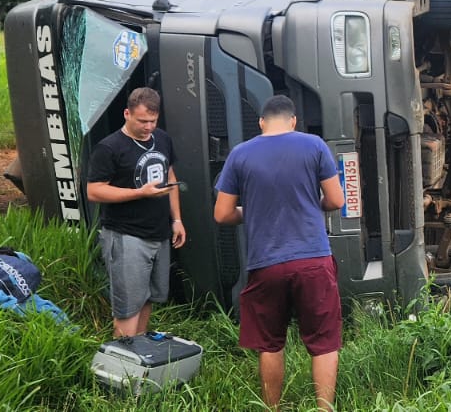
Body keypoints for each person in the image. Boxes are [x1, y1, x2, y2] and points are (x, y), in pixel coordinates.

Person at [214, 94, 344, 411]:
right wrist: (314, 206)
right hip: (313, 259)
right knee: (324, 342)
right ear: (293, 121)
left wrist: (251, 211)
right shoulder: (314, 146)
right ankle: (324, 409)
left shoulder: (240, 154)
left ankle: (273, 408)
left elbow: (222, 214)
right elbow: (337, 200)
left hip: (266, 264)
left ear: (261, 122)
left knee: (270, 343)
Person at [85, 87, 186, 339]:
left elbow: (170, 177)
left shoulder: (162, 139)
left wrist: (177, 219)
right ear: (127, 113)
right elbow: (94, 191)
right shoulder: (109, 148)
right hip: (126, 236)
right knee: (128, 308)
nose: (148, 126)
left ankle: (140, 357)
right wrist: (140, 193)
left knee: (148, 298)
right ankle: (121, 367)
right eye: (142, 121)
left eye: (153, 120)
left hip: (159, 233)